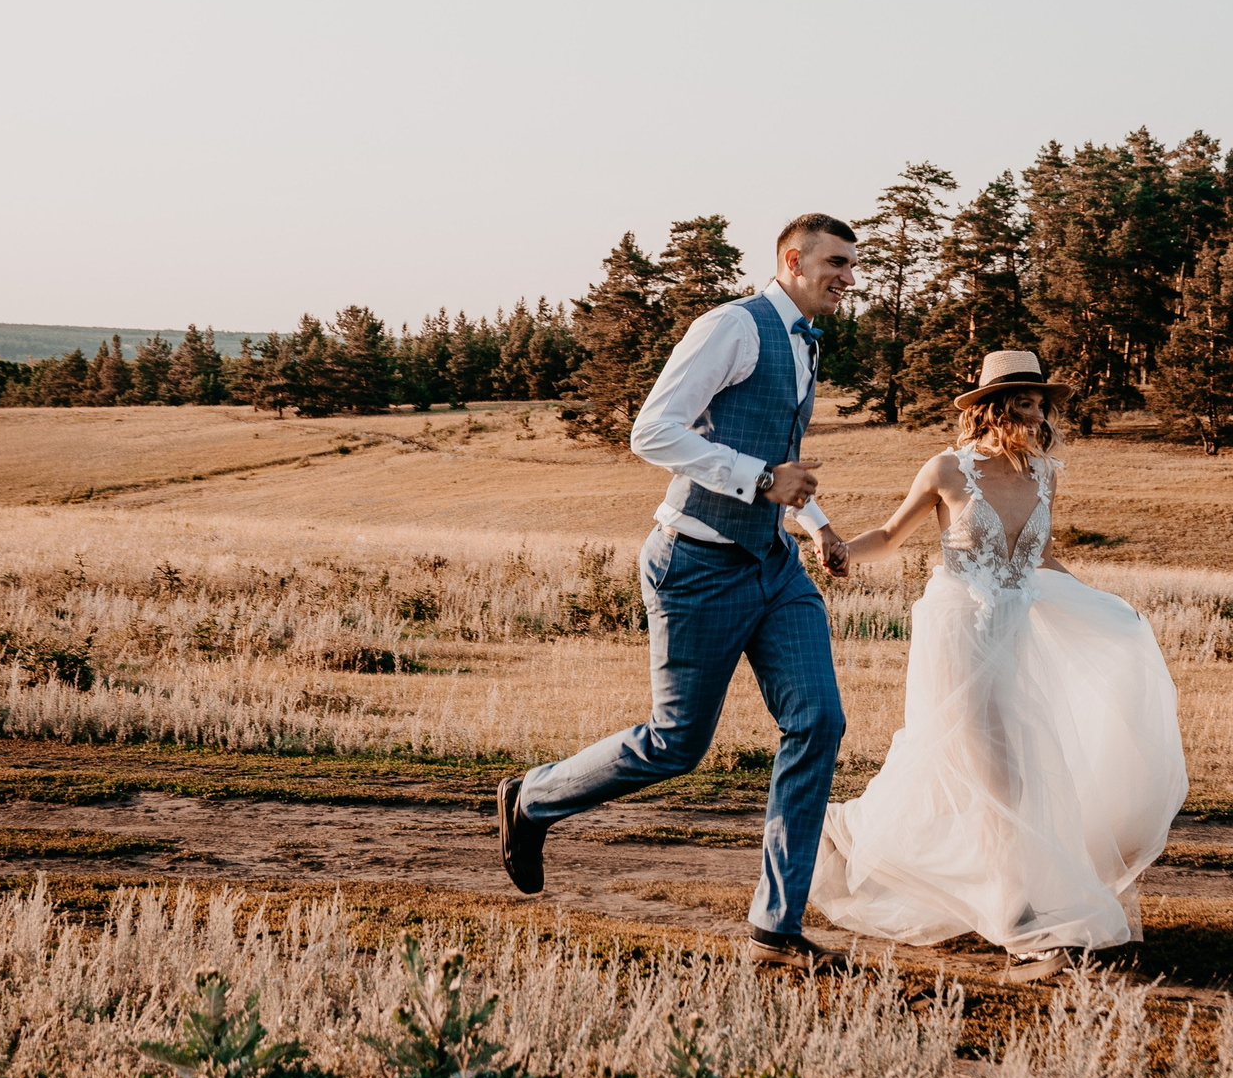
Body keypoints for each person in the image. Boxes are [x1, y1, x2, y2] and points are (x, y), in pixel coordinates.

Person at [497, 213, 859, 971]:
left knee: (818, 720)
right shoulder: (733, 326)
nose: (847, 277)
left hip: (774, 568)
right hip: (696, 564)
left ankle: (774, 928)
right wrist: (760, 480)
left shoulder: (806, 341)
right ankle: (531, 799)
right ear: (791, 259)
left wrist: (815, 523)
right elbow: (651, 430)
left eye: (851, 265)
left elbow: (778, 456)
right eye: (835, 262)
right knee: (675, 744)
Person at [812, 351, 1186, 983]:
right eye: (1025, 400)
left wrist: (1107, 609)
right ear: (992, 406)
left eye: (1041, 401)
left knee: (1018, 767)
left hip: (1016, 634)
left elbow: (1040, 559)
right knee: (999, 775)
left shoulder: (1044, 474)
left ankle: (845, 835)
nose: (1037, 412)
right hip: (957, 631)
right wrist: (843, 551)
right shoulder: (947, 470)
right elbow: (890, 535)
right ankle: (1028, 927)